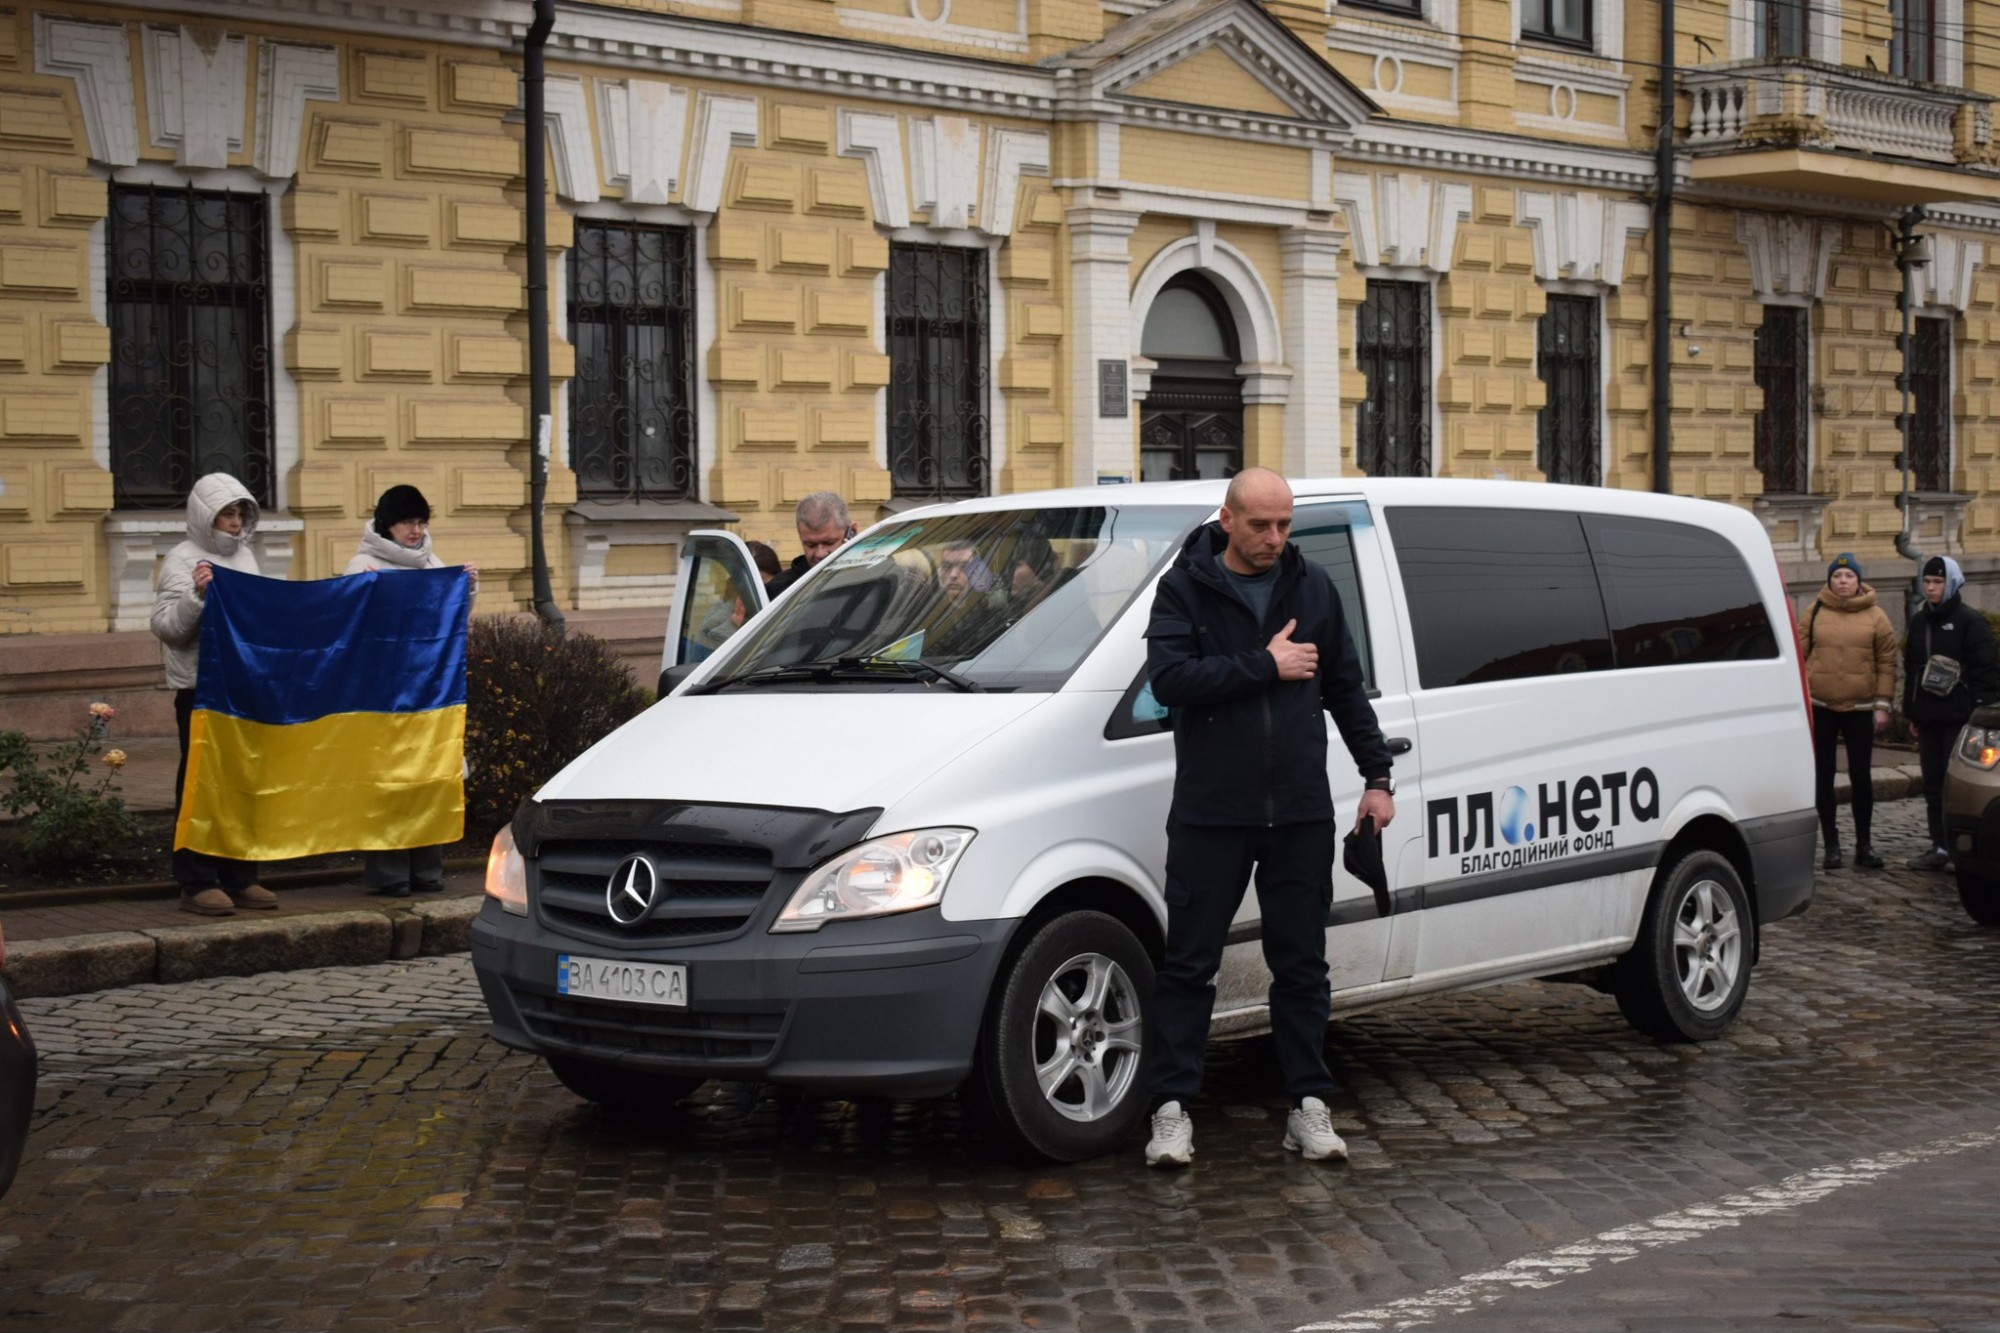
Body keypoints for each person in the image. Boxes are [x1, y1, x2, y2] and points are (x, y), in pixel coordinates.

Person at [1140, 468, 1394, 1168]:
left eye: (1285, 524)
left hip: (1301, 813)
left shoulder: (1312, 587)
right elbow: (1170, 682)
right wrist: (1263, 663)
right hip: (1211, 814)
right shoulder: (1183, 588)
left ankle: (1309, 1105)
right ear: (1228, 518)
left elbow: (1344, 686)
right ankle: (1171, 1111)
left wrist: (1377, 777)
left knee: (1303, 968)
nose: (1275, 537)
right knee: (1190, 965)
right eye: (1260, 524)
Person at [149, 473, 276, 917]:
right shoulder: (181, 561)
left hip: (242, 686)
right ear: (207, 515)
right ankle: (196, 881)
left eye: (240, 513)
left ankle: (241, 876)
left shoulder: (247, 558)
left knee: (242, 781)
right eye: (227, 513)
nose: (236, 522)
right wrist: (198, 598)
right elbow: (167, 628)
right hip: (200, 689)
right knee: (201, 784)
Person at [343, 485, 477, 898]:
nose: (415, 530)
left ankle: (427, 869)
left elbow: (449, 624)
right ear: (388, 525)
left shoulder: (433, 563)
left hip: (429, 691)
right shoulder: (362, 565)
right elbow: (350, 629)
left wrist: (467, 588)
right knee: (390, 784)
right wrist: (358, 595)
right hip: (383, 696)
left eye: (421, 522)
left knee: (428, 779)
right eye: (407, 522)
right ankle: (389, 873)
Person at [1799, 553, 1897, 871]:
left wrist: (1883, 704)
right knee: (1823, 776)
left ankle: (1864, 845)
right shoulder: (1813, 612)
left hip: (1860, 708)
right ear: (1830, 580)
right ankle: (1831, 845)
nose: (1842, 581)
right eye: (1837, 575)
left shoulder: (1877, 617)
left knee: (1860, 777)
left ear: (1858, 581)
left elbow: (1886, 663)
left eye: (1848, 576)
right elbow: (1799, 656)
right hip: (1821, 707)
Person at [1902, 554, 2000, 871]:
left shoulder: (1970, 622)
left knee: (1955, 783)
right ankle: (1939, 846)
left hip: (1960, 719)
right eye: (1927, 582)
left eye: (1937, 582)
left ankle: (1960, 843)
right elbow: (1912, 669)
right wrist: (1912, 712)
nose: (1931, 588)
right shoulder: (1919, 622)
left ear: (1952, 582)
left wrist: (1978, 715)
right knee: (1932, 784)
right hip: (1929, 716)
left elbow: (1986, 673)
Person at [766, 492, 856, 596]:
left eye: (829, 543)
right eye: (810, 545)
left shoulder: (875, 579)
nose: (820, 553)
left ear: (852, 532)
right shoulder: (780, 592)